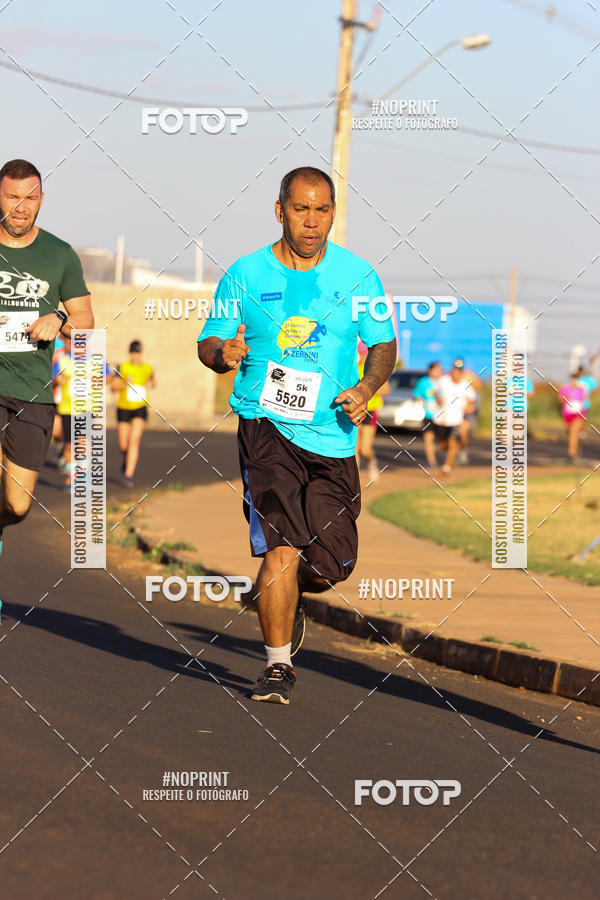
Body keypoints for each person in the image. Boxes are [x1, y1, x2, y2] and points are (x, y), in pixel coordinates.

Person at [197, 166, 396, 705]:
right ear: (279, 209)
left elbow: (382, 343)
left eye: (323, 210)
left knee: (334, 563)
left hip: (330, 434)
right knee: (281, 545)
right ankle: (278, 666)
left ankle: (281, 595)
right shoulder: (243, 274)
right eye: (302, 209)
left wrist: (367, 385)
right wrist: (224, 353)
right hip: (265, 426)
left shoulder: (358, 277)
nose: (312, 222)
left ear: (334, 213)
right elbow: (209, 341)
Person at [0, 158, 93, 561]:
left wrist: (58, 319)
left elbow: (86, 322)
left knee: (17, 505)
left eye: (30, 197)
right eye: (12, 197)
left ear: (41, 200)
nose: (20, 206)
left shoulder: (60, 255)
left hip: (31, 395)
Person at [111, 340, 155, 487]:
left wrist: (151, 384)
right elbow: (113, 386)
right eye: (133, 352)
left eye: (137, 352)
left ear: (141, 353)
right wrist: (123, 384)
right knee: (123, 444)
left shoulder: (148, 368)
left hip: (140, 407)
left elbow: (153, 382)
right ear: (130, 353)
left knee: (133, 441)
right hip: (123, 407)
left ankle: (128, 475)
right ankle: (126, 459)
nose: (135, 355)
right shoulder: (122, 367)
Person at [433, 361, 476, 475]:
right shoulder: (443, 381)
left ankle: (446, 468)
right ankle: (449, 456)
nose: (456, 374)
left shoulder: (465, 385)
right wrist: (438, 398)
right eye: (454, 371)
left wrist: (469, 406)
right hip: (441, 419)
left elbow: (472, 401)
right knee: (443, 444)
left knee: (453, 441)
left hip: (456, 419)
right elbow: (435, 391)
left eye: (459, 372)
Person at [356, 342, 390, 480]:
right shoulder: (354, 368)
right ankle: (354, 480)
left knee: (365, 449)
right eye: (362, 353)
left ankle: (372, 462)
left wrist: (366, 389)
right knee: (354, 449)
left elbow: (386, 389)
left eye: (367, 353)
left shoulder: (374, 370)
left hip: (370, 411)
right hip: (355, 410)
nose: (364, 356)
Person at [452, 357, 481, 463]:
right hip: (453, 411)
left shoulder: (469, 376)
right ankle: (452, 453)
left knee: (463, 431)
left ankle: (463, 449)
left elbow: (478, 388)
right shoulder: (450, 376)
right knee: (452, 434)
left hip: (465, 411)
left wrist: (472, 380)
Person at [413, 361, 442, 467]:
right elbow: (416, 395)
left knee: (443, 441)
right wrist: (418, 400)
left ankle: (446, 455)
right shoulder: (423, 382)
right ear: (430, 370)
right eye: (437, 369)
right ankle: (432, 461)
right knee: (428, 438)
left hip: (442, 416)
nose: (439, 372)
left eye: (440, 370)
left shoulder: (443, 382)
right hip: (428, 415)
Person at [559, 373, 587, 463]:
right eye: (572, 380)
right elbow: (560, 399)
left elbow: (584, 400)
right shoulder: (565, 388)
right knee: (570, 433)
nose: (574, 382)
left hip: (578, 414)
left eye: (576, 380)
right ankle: (572, 452)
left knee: (573, 432)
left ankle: (572, 454)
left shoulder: (581, 389)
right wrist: (565, 398)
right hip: (567, 414)